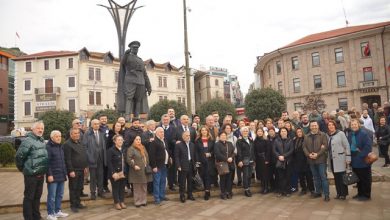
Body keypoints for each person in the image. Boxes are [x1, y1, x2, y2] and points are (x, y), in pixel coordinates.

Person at [16, 121, 48, 220]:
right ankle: (29, 217)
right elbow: (19, 157)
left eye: (42, 128)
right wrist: (24, 168)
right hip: (31, 175)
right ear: (32, 129)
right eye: (38, 128)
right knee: (29, 197)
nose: (40, 130)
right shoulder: (28, 141)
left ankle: (36, 216)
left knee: (37, 197)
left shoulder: (41, 140)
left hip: (40, 173)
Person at [117, 41, 152, 118]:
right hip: (130, 80)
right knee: (129, 98)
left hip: (141, 81)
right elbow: (123, 62)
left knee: (138, 100)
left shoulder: (140, 60)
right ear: (130, 48)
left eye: (137, 48)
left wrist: (149, 87)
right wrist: (126, 54)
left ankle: (136, 117)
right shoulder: (127, 57)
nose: (136, 49)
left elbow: (145, 74)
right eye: (134, 48)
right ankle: (127, 116)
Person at [303, 121, 330, 202]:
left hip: (321, 160)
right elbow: (304, 147)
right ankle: (318, 192)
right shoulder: (307, 136)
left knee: (323, 177)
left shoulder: (323, 135)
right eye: (312, 126)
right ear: (310, 127)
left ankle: (326, 194)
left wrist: (317, 154)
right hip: (311, 160)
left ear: (318, 126)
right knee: (315, 177)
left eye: (315, 125)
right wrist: (309, 155)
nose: (314, 127)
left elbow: (325, 146)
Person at [63, 128, 88, 213]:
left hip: (81, 169)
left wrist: (85, 167)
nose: (77, 134)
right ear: (71, 135)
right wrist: (70, 170)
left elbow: (83, 155)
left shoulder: (80, 142)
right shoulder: (67, 144)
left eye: (78, 133)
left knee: (79, 188)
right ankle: (73, 205)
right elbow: (67, 159)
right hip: (74, 171)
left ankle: (78, 203)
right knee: (73, 188)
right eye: (75, 133)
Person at [348, 119, 373, 201]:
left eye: (355, 124)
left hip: (363, 161)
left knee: (365, 179)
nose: (354, 126)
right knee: (358, 179)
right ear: (350, 126)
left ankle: (366, 195)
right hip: (354, 160)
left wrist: (361, 154)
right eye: (352, 125)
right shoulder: (350, 134)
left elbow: (368, 146)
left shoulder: (363, 134)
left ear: (358, 125)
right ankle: (360, 193)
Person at [46, 130, 68, 220]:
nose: (59, 138)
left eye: (60, 136)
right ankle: (50, 214)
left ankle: (57, 211)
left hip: (61, 175)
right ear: (52, 138)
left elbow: (63, 161)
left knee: (60, 194)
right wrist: (49, 174)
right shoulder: (48, 147)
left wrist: (65, 172)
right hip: (53, 176)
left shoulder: (60, 147)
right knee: (52, 196)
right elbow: (47, 162)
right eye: (56, 136)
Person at [82, 119, 107, 200]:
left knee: (100, 176)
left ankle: (100, 191)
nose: (97, 125)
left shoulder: (101, 133)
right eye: (95, 124)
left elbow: (103, 146)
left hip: (100, 158)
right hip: (92, 159)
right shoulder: (87, 134)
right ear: (92, 125)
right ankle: (93, 193)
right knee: (93, 177)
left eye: (98, 124)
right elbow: (85, 147)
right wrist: (88, 157)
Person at [326, 120, 351, 200]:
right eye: (329, 125)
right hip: (332, 160)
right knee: (336, 178)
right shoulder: (329, 135)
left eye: (332, 125)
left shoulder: (341, 133)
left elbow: (347, 146)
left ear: (335, 125)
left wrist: (348, 157)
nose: (330, 126)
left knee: (342, 177)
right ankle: (338, 193)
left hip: (340, 159)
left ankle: (343, 194)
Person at [127, 136, 153, 207]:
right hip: (136, 171)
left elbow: (147, 156)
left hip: (144, 171)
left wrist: (147, 164)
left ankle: (143, 201)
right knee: (137, 187)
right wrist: (134, 165)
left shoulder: (143, 147)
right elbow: (128, 159)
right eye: (137, 139)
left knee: (144, 187)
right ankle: (137, 201)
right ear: (134, 140)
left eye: (139, 139)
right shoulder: (131, 149)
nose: (138, 141)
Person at [149, 127, 171, 205]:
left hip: (164, 165)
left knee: (163, 181)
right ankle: (157, 198)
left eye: (163, 132)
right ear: (156, 133)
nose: (163, 133)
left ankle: (162, 196)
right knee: (157, 182)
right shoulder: (154, 142)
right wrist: (154, 166)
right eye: (161, 132)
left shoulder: (164, 140)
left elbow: (166, 151)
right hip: (157, 166)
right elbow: (152, 156)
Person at [175, 131, 196, 203]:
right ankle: (182, 195)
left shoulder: (192, 145)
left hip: (191, 165)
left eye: (189, 135)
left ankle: (190, 194)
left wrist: (195, 164)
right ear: (183, 137)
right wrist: (178, 165)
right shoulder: (179, 145)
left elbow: (194, 156)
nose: (188, 137)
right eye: (186, 135)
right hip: (182, 165)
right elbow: (176, 156)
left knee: (190, 181)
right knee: (182, 182)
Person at [107, 135, 127, 210]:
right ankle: (117, 202)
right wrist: (113, 172)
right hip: (115, 173)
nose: (120, 141)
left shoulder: (124, 149)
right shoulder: (111, 150)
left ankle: (122, 201)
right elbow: (109, 162)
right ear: (115, 141)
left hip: (123, 172)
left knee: (122, 188)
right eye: (118, 140)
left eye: (121, 140)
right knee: (115, 188)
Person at [195, 126, 215, 200]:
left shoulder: (211, 140)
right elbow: (196, 152)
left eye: (205, 130)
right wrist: (197, 163)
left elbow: (214, 150)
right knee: (202, 175)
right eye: (202, 130)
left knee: (208, 176)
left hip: (209, 161)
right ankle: (206, 189)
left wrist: (210, 154)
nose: (204, 131)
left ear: (207, 131)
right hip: (201, 161)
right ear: (200, 132)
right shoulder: (197, 141)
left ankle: (207, 191)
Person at [273, 127, 294, 197]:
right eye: (282, 131)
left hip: (288, 161)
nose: (283, 132)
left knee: (288, 176)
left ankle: (288, 191)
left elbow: (291, 150)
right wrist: (279, 156)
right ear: (280, 133)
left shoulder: (290, 140)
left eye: (285, 131)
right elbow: (274, 150)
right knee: (280, 177)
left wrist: (284, 156)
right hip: (279, 161)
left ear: (287, 132)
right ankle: (281, 191)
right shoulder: (276, 140)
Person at [293, 128, 314, 196]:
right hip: (297, 161)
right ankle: (303, 189)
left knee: (308, 176)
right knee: (301, 177)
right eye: (298, 132)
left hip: (306, 161)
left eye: (300, 132)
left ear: (302, 132)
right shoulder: (295, 140)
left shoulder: (306, 139)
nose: (299, 133)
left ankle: (311, 189)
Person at [214, 132, 235, 200]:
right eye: (222, 135)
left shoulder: (230, 143)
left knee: (229, 179)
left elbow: (233, 152)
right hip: (222, 164)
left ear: (226, 136)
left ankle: (228, 192)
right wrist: (226, 159)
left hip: (230, 164)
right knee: (223, 179)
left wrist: (231, 157)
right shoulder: (217, 144)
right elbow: (217, 154)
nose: (223, 136)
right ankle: (223, 193)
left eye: (224, 135)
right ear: (219, 137)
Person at [160, 114, 178, 191]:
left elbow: (175, 139)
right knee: (162, 169)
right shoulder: (158, 128)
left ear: (169, 120)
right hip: (161, 152)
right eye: (164, 120)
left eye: (167, 120)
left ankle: (171, 184)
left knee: (172, 169)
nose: (166, 121)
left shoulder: (174, 128)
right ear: (162, 120)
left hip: (172, 151)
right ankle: (162, 187)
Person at [236, 126, 255, 197]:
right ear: (241, 133)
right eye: (244, 131)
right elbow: (239, 152)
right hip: (244, 160)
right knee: (246, 175)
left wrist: (254, 159)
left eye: (247, 131)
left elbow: (253, 150)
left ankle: (248, 187)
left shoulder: (251, 139)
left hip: (251, 160)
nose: (245, 132)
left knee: (250, 175)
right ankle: (246, 189)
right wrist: (240, 160)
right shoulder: (239, 141)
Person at [253, 128, 271, 194]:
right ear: (256, 132)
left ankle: (266, 187)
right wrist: (254, 159)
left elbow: (268, 150)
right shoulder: (255, 141)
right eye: (258, 131)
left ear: (263, 132)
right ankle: (262, 187)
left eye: (261, 131)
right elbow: (254, 150)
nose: (259, 132)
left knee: (265, 174)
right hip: (258, 159)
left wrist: (267, 159)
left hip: (264, 158)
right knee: (260, 173)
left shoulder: (266, 140)